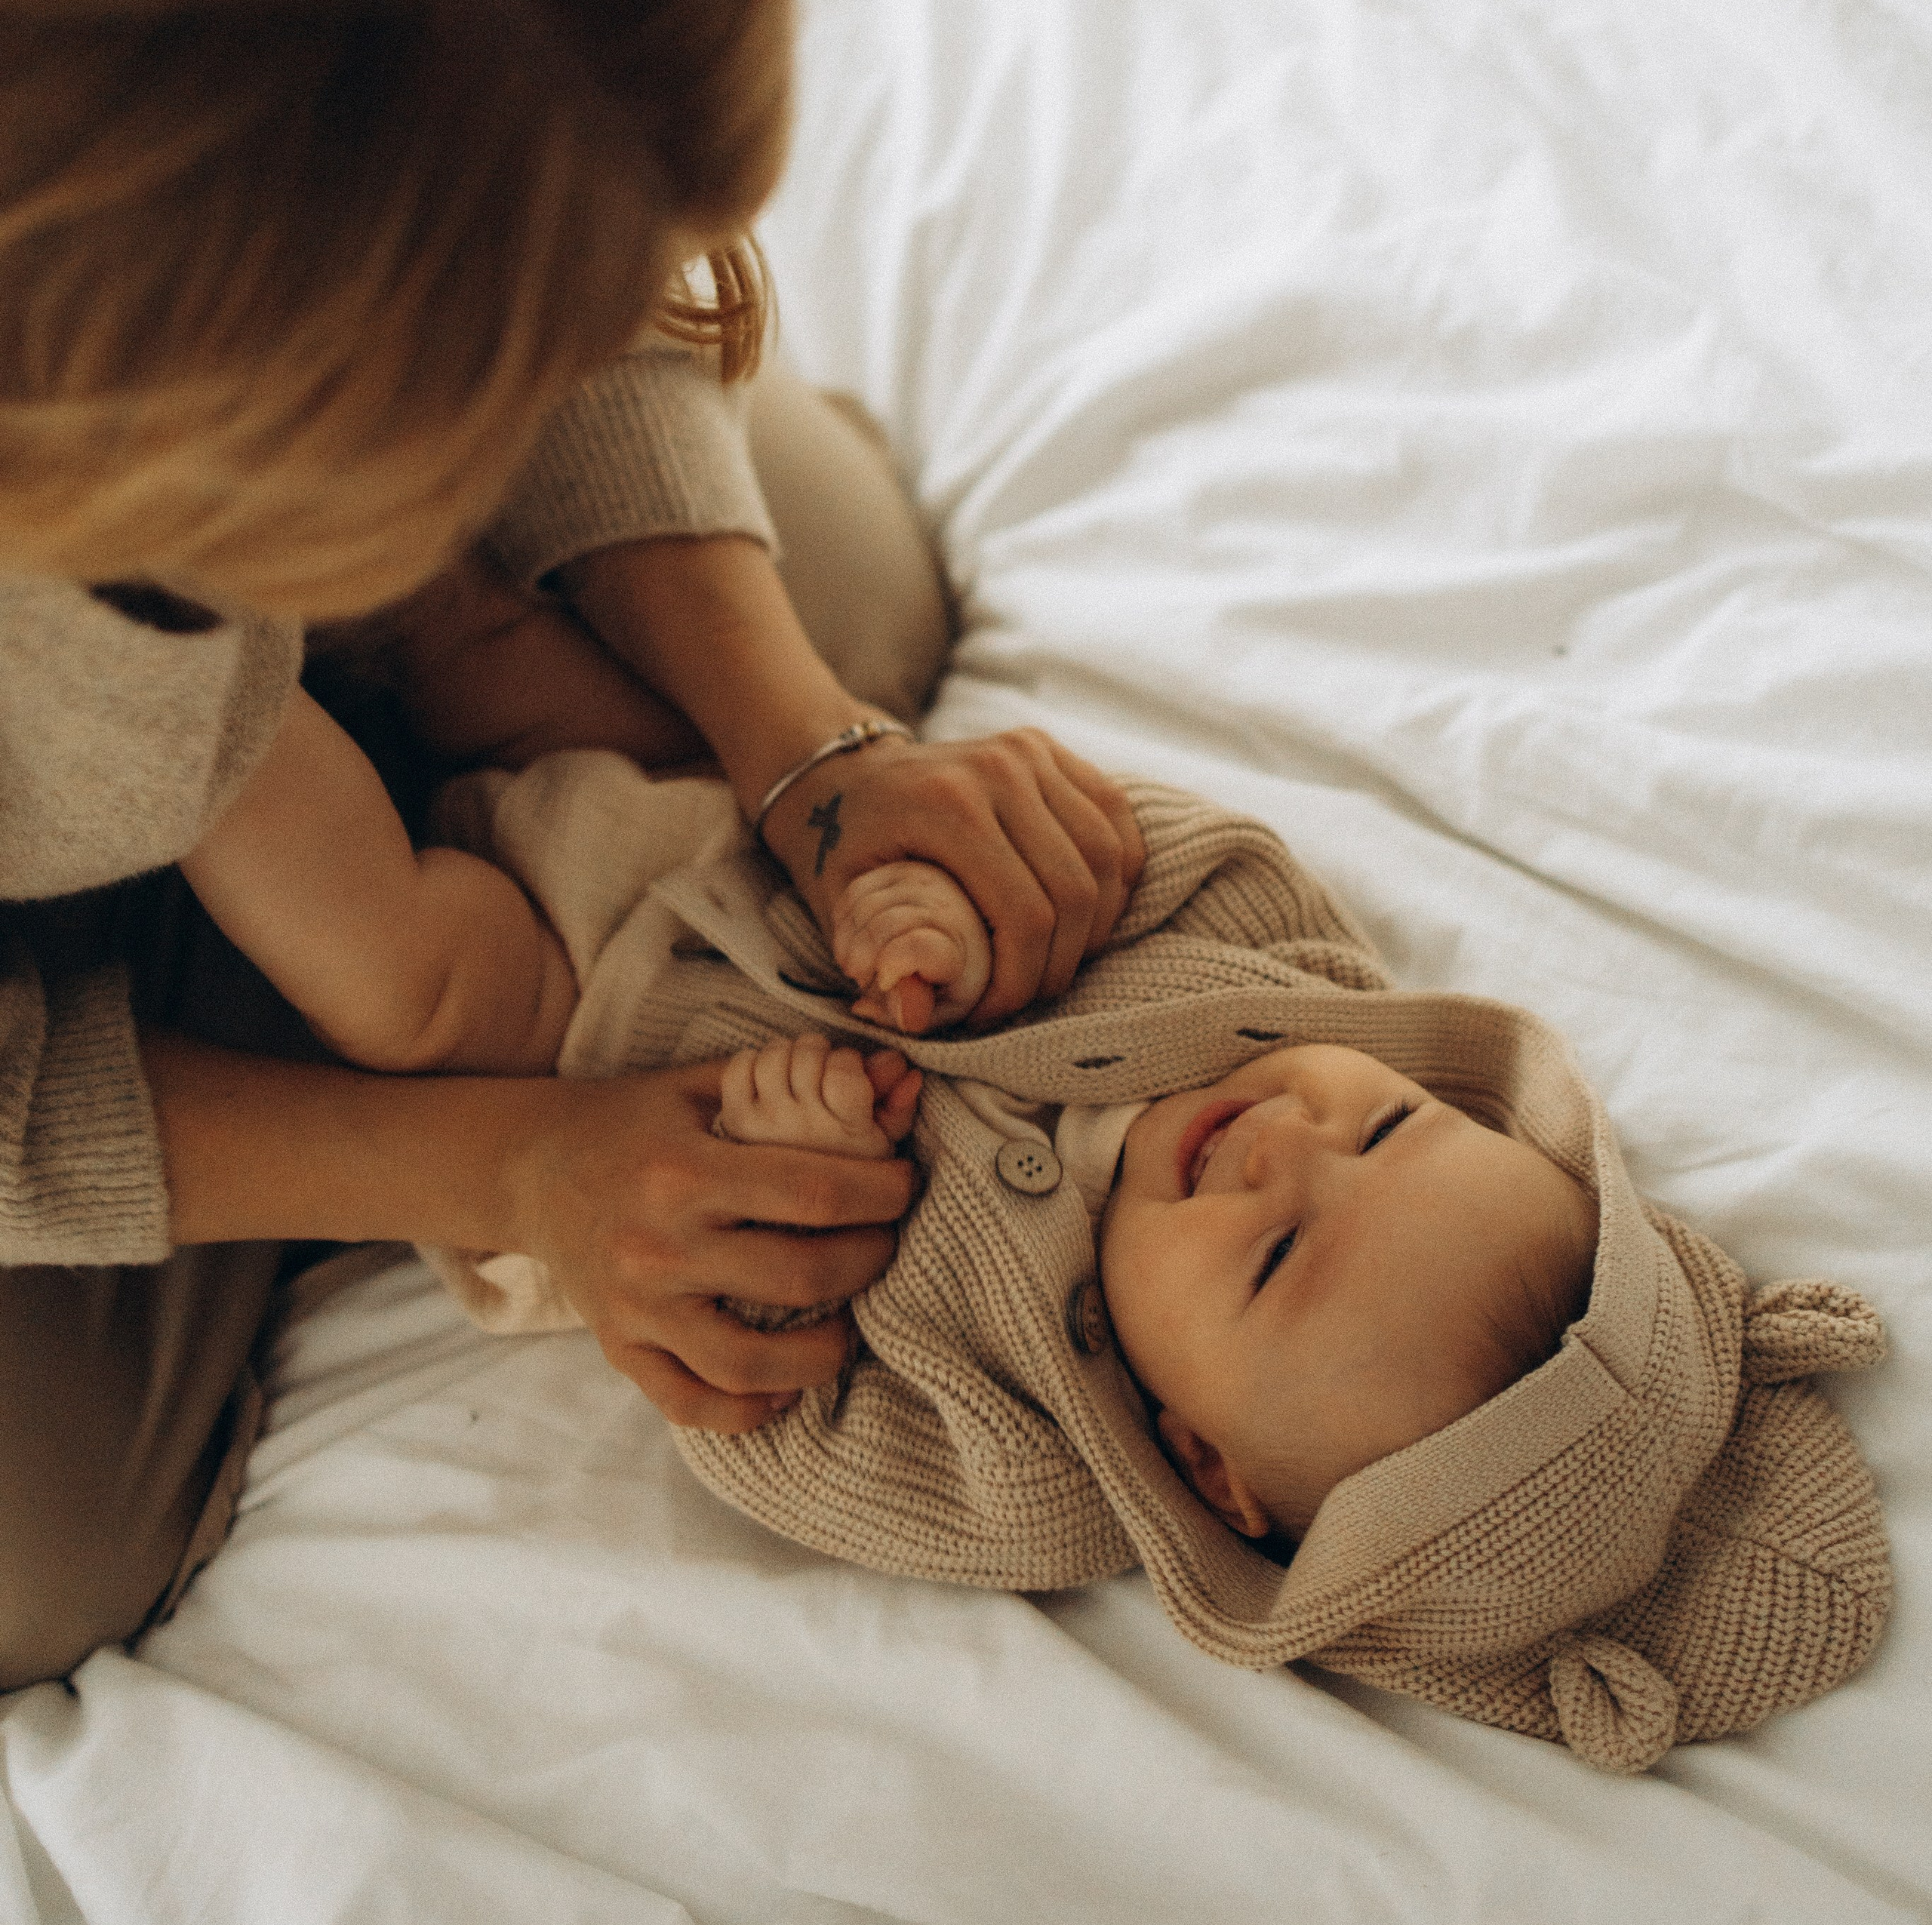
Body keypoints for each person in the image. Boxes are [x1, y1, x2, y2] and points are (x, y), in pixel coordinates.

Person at [0, 0, 1145, 1690]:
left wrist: (803, 745)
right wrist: (487, 1156)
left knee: (837, 586)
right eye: (430, 415)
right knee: (36, 1555)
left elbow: (532, 164)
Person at [427, 750, 1894, 1775]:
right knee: (507, 651)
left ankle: (210, 715)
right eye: (1383, 1130)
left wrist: (782, 1207)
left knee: (402, 959)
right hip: (723, 850)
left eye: (1268, 1259)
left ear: (1203, 1468)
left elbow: (771, 1424)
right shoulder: (1276, 998)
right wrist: (944, 903)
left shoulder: (1026, 1473)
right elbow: (1175, 864)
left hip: (549, 1058)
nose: (1282, 1147)